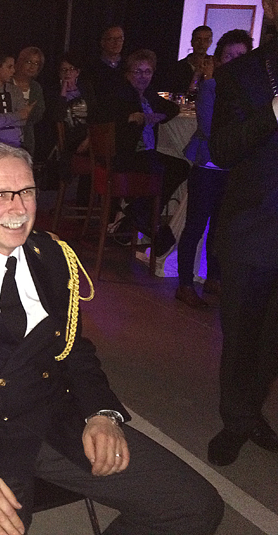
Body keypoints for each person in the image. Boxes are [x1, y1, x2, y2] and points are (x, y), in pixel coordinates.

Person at [0, 142, 224, 535]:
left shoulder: (52, 255)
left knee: (194, 506)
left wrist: (101, 412)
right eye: (1, 195)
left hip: (56, 422)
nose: (18, 208)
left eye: (27, 192)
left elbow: (74, 349)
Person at [206, 0, 278, 467]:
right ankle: (235, 420)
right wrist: (272, 112)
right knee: (242, 334)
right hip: (252, 227)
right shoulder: (243, 74)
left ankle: (249, 412)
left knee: (272, 340)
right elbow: (223, 150)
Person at [175, 29, 252, 309]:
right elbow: (210, 129)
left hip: (232, 167)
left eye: (241, 55)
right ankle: (185, 284)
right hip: (208, 165)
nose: (235, 60)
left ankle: (213, 278)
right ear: (219, 59)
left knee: (220, 227)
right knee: (195, 226)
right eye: (229, 55)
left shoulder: (249, 90)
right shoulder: (211, 87)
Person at [112, 49, 189, 256]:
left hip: (143, 154)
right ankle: (141, 214)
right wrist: (131, 118)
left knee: (178, 166)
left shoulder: (148, 95)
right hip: (126, 156)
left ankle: (137, 214)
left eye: (147, 72)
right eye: (138, 71)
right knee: (173, 167)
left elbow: (172, 109)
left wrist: (156, 116)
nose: (143, 76)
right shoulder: (122, 94)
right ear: (128, 73)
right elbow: (109, 118)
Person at [48, 52, 96, 206]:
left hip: (89, 135)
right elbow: (57, 116)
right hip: (70, 138)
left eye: (71, 69)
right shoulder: (54, 91)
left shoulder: (86, 88)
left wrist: (89, 138)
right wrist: (63, 90)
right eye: (64, 70)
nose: (68, 73)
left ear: (78, 72)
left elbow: (94, 115)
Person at [87, 25, 125, 123]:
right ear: (102, 42)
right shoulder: (92, 68)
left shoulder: (128, 66)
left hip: (125, 118)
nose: (116, 43)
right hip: (101, 119)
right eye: (112, 39)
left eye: (120, 39)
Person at [13, 47, 46, 157]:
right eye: (29, 62)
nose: (32, 67)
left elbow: (39, 113)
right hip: (5, 137)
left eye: (36, 63)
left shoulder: (36, 87)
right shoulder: (7, 82)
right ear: (20, 62)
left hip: (27, 139)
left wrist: (24, 114)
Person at [168, 26, 213, 96]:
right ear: (192, 42)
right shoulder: (178, 68)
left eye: (206, 40)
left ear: (210, 43)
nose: (201, 43)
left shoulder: (214, 66)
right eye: (198, 39)